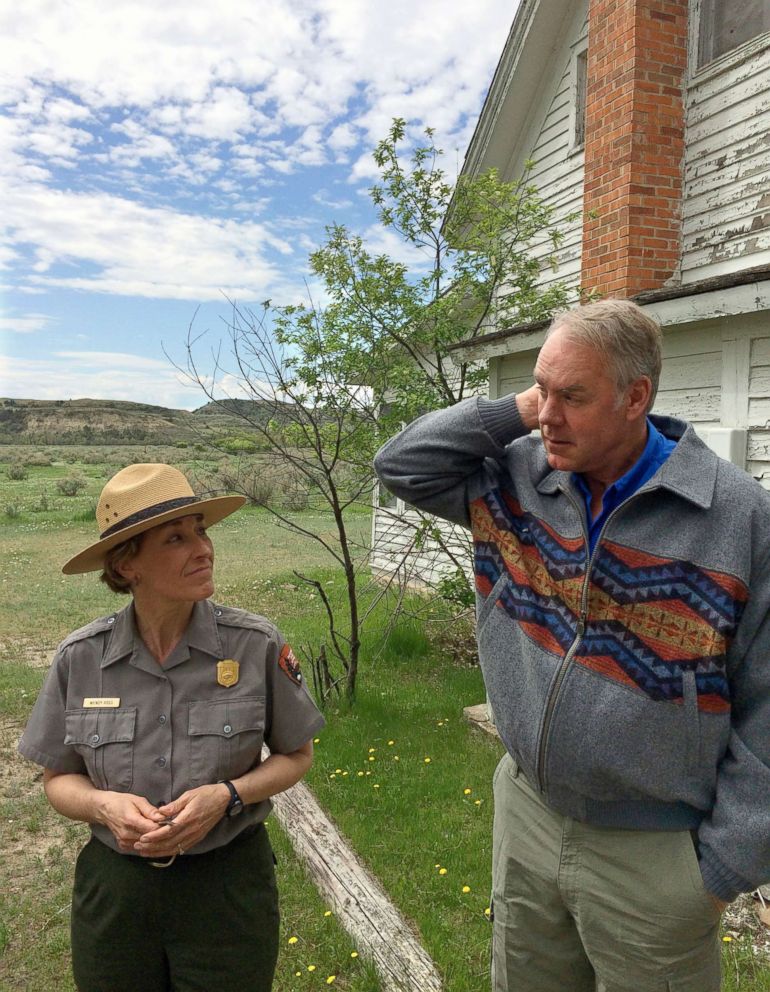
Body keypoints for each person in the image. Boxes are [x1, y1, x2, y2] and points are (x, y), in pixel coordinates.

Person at [374, 299, 770, 992]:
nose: (547, 414)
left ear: (635, 397)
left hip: (655, 853)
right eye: (541, 390)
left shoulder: (737, 517)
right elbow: (401, 465)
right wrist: (518, 410)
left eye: (573, 396)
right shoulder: (517, 475)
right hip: (528, 812)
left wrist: (717, 872)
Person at [19, 463, 324, 992]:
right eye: (176, 538)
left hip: (227, 886)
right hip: (116, 892)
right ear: (127, 564)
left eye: (201, 531)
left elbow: (297, 755)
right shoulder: (81, 657)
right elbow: (58, 780)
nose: (203, 549)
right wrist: (103, 805)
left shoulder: (255, 645)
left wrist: (227, 795)